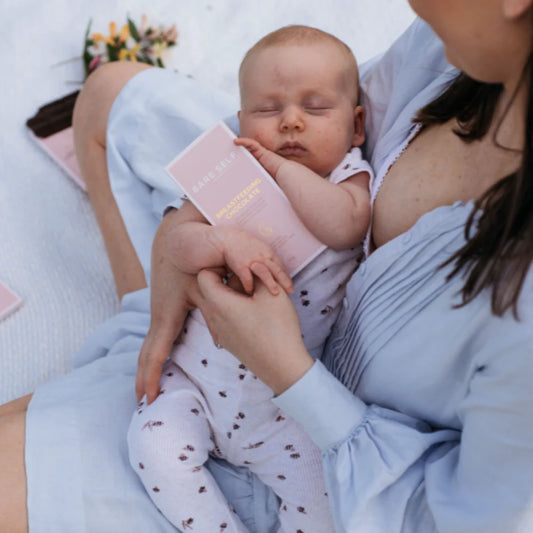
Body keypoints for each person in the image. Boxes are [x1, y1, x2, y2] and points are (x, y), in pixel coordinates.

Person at [1, 1, 532, 531]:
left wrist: (285, 369)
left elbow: (448, 519)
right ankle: (145, 341)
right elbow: (314, 111)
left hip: (316, 442)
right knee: (108, 95)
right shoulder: (459, 50)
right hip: (215, 329)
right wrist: (178, 242)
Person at [126, 25, 372, 533]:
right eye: (267, 110)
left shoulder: (347, 177)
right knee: (152, 444)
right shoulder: (232, 170)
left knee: (326, 495)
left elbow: (346, 225)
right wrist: (220, 242)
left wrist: (280, 173)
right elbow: (177, 240)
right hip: (192, 380)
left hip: (284, 407)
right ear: (240, 121)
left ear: (357, 125)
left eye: (315, 107)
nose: (290, 123)